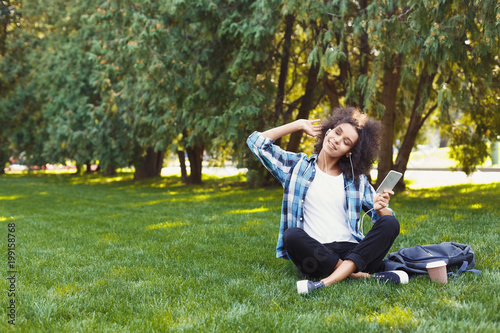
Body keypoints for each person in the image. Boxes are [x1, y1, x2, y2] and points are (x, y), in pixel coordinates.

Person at [246, 106, 408, 294]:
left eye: (346, 142)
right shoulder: (297, 166)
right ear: (328, 131)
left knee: (390, 222)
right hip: (316, 256)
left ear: (349, 152)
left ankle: (330, 279)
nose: (337, 141)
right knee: (292, 236)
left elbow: (384, 222)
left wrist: (381, 209)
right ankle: (356, 274)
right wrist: (298, 124)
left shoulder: (356, 181)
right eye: (337, 133)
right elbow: (256, 142)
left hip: (354, 252)